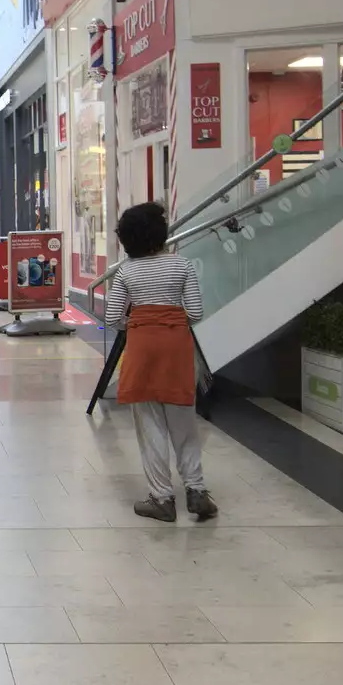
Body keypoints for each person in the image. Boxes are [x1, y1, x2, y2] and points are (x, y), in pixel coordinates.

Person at [103, 202, 218, 523]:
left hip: (142, 349)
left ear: (126, 239)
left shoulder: (125, 271)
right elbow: (195, 313)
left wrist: (140, 321)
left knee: (150, 424)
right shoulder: (182, 266)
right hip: (177, 349)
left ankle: (162, 498)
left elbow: (112, 317)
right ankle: (196, 490)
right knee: (184, 422)